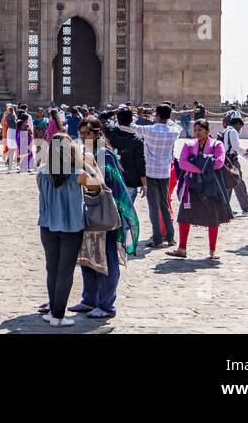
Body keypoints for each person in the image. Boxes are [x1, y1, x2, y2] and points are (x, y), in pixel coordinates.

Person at [74, 118, 139, 319]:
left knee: (108, 258)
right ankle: (89, 299)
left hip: (106, 213)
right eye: (81, 133)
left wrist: (81, 175)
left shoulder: (104, 155)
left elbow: (107, 183)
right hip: (90, 211)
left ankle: (107, 304)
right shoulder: (87, 154)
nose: (84, 137)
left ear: (97, 133)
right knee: (89, 256)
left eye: (87, 133)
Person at [37, 134, 103, 327]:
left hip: (47, 226)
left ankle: (52, 313)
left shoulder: (41, 172)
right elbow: (98, 187)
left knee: (52, 268)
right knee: (65, 272)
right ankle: (59, 315)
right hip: (71, 227)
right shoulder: (78, 173)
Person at [168, 119, 233, 260]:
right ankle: (182, 248)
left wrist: (197, 162)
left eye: (200, 130)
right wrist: (204, 166)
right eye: (195, 130)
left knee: (212, 218)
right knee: (184, 217)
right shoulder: (189, 144)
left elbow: (219, 163)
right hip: (192, 186)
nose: (197, 133)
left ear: (207, 131)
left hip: (211, 186)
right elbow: (183, 163)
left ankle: (212, 251)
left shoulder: (217, 144)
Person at [129, 102, 182, 249]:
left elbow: (133, 126)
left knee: (153, 207)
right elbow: (178, 127)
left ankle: (157, 238)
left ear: (157, 115)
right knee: (165, 205)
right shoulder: (173, 132)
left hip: (151, 172)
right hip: (165, 172)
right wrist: (167, 118)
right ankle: (170, 237)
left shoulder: (150, 130)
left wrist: (137, 115)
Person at [220, 115, 248, 214]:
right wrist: (246, 152)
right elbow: (236, 147)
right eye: (240, 127)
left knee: (229, 184)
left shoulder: (225, 131)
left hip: (226, 160)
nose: (240, 129)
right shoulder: (233, 131)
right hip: (232, 161)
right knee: (238, 183)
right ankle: (247, 207)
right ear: (238, 124)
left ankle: (225, 208)